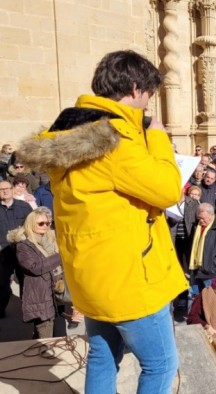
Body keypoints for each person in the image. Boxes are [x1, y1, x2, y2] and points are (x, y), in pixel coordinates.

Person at [18, 50, 188, 393]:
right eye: (149, 97)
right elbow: (169, 189)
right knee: (161, 364)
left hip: (92, 277)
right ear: (137, 88)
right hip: (128, 279)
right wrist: (156, 136)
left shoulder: (68, 130)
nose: (148, 106)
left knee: (103, 354)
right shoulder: (114, 139)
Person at [7, 208, 62, 338]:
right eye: (41, 223)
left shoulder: (49, 239)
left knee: (57, 332)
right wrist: (60, 256)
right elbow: (35, 268)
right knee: (44, 333)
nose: (45, 226)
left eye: (48, 223)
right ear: (31, 224)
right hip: (39, 294)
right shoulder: (23, 245)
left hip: (55, 292)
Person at [0, 180, 33, 318]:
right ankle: (0, 309)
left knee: (26, 282)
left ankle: (27, 310)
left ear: (13, 190)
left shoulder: (24, 207)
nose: (5, 191)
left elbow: (32, 225)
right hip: (3, 253)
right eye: (1, 189)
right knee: (2, 284)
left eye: (7, 188)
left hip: (22, 251)